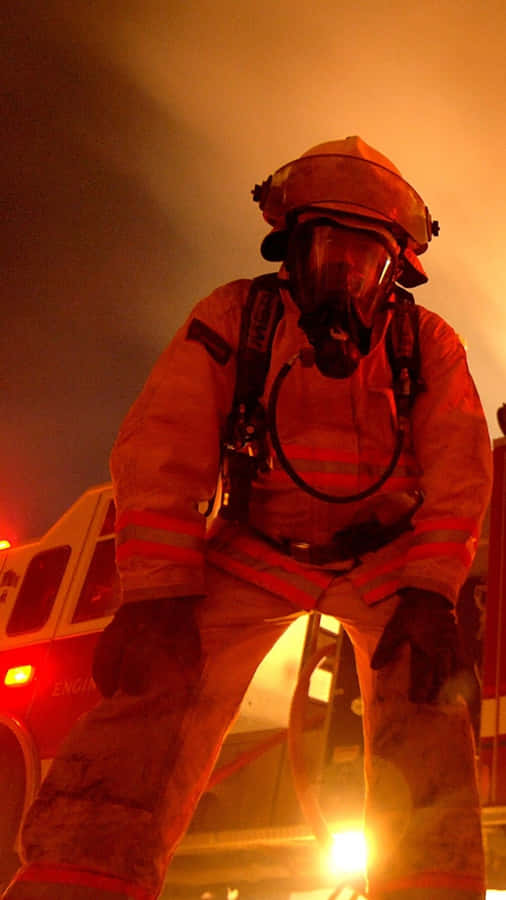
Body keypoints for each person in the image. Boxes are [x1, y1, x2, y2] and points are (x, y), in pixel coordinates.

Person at [3, 137, 492, 900]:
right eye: (327, 248)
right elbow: (161, 452)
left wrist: (432, 591)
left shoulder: (427, 345)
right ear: (289, 249)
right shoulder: (235, 319)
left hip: (386, 561)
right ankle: (79, 879)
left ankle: (428, 887)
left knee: (426, 706)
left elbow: (461, 474)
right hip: (258, 547)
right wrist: (157, 596)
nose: (345, 275)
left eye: (365, 259)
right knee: (155, 699)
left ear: (396, 268)